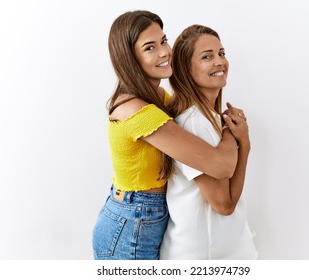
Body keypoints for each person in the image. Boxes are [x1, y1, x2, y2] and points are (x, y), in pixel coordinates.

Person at [92, 11, 241, 260]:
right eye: (150, 47)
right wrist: (232, 133)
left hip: (146, 218)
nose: (164, 52)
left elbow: (187, 116)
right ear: (130, 59)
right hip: (131, 222)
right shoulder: (136, 111)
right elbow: (221, 166)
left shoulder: (158, 98)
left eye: (164, 40)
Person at [160, 24, 258, 259]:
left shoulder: (209, 119)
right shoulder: (193, 122)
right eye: (207, 56)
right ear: (186, 69)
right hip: (205, 258)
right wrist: (243, 144)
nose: (220, 62)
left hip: (225, 252)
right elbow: (224, 205)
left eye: (221, 53)